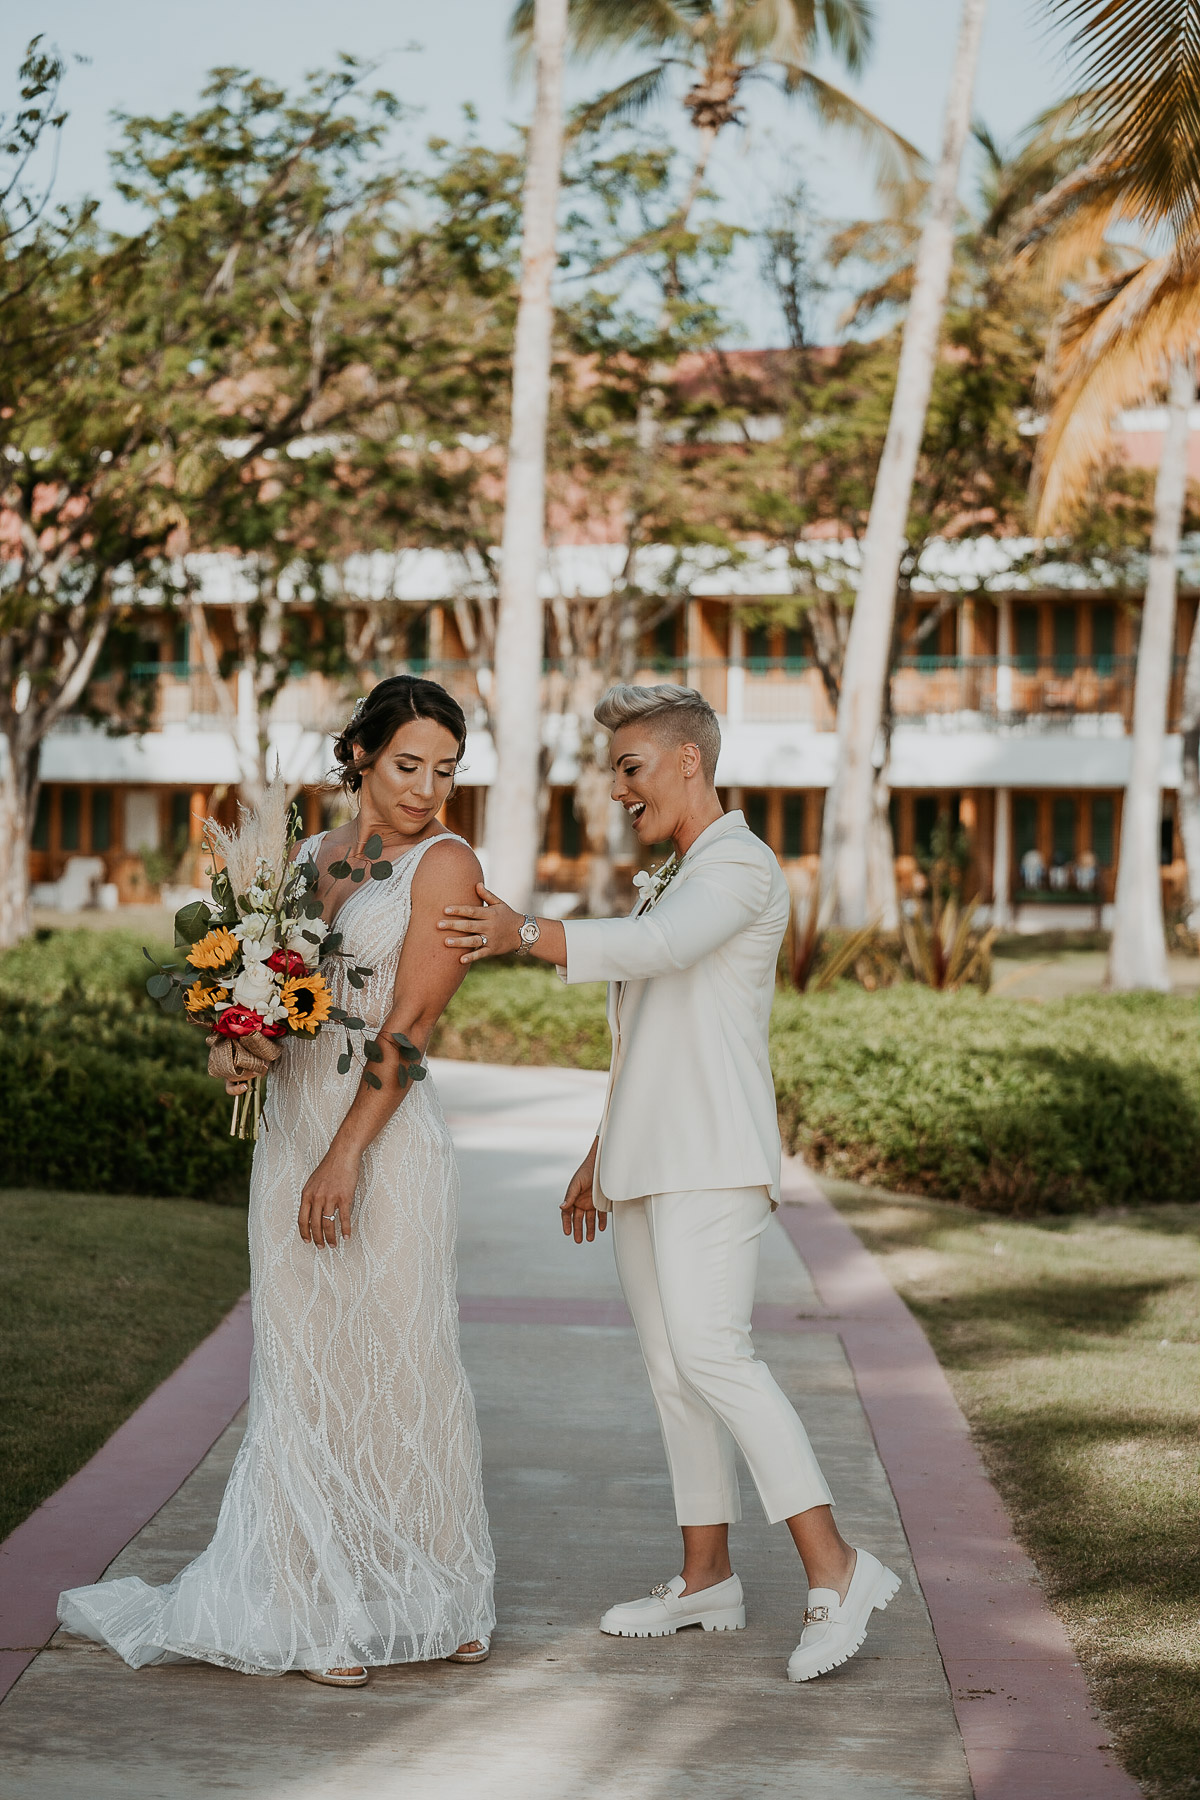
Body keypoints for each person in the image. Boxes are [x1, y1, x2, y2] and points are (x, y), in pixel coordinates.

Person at [440, 682, 899, 1683]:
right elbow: (648, 1027)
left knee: (715, 1356)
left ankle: (839, 1568)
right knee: (672, 1370)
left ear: (689, 760)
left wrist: (527, 933)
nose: (618, 789)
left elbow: (657, 949)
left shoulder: (739, 867)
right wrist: (603, 1151)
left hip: (714, 1159)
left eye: (631, 768)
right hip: (649, 1160)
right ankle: (706, 1580)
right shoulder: (680, 870)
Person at [59, 677, 495, 1686]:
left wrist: (346, 1154)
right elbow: (248, 1008)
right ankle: (314, 1604)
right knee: (302, 1371)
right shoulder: (297, 862)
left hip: (381, 1145)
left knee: (400, 1363)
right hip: (287, 1135)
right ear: (359, 757)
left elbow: (412, 1028)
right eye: (407, 765)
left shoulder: (448, 864)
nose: (427, 789)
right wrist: (234, 1054)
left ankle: (442, 1593)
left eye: (445, 770)